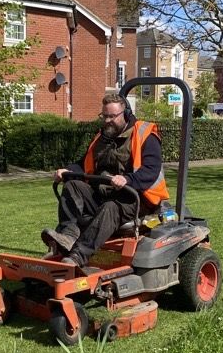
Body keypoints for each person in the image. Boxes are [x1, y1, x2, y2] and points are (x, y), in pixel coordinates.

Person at [42, 93, 169, 266]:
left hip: (135, 199)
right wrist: (68, 170)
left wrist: (127, 180)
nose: (107, 120)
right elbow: (84, 164)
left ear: (125, 114)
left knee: (111, 207)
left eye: (112, 116)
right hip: (104, 194)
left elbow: (150, 170)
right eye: (104, 116)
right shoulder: (101, 138)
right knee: (73, 186)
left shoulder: (145, 135)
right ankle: (68, 236)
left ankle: (79, 255)